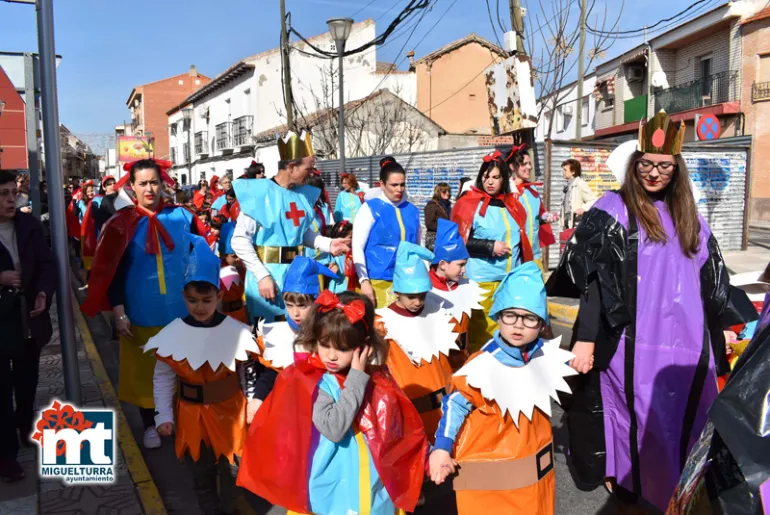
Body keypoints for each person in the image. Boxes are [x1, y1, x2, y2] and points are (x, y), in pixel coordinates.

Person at [546, 111, 747, 511]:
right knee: (632, 418)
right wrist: (585, 339)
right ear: (635, 165)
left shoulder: (690, 216)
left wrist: (723, 323)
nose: (655, 174)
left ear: (677, 169)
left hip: (688, 342)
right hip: (632, 343)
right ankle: (631, 483)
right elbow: (592, 282)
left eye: (664, 167)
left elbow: (713, 277)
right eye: (647, 165)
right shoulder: (613, 210)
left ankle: (680, 490)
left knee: (684, 418)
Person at [237, 291, 428, 515]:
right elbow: (334, 428)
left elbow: (399, 427)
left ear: (362, 347)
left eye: (342, 348)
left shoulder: (377, 378)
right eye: (324, 345)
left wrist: (429, 456)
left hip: (373, 482)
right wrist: (356, 380)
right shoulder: (318, 382)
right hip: (332, 483)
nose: (331, 356)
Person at [429, 262, 576, 515]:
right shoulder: (482, 364)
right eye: (510, 315)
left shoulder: (543, 355)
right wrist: (442, 446)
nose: (518, 325)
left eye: (529, 318)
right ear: (498, 316)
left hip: (535, 476)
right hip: (492, 474)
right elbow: (455, 404)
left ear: (541, 324)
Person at [82, 159, 208, 449]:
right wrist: (118, 311)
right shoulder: (120, 224)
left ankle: (183, 419)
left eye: (154, 182)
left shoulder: (183, 217)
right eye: (143, 183)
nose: (149, 188)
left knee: (186, 368)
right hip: (140, 311)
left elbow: (201, 257)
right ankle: (150, 423)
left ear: (162, 183)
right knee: (145, 372)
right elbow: (110, 272)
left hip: (182, 311)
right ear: (132, 187)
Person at [145, 235, 259, 515]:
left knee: (233, 474)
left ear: (219, 296)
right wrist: (164, 415)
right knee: (201, 476)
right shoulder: (173, 333)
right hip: (191, 417)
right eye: (193, 300)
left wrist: (253, 406)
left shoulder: (237, 331)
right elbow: (163, 377)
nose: (199, 307)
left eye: (206, 300)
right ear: (183, 297)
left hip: (230, 414)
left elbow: (248, 372)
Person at [230, 131, 349, 323]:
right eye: (308, 169)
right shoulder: (260, 194)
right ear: (292, 166)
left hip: (297, 279)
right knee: (270, 339)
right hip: (268, 278)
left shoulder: (302, 195)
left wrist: (329, 245)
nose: (312, 173)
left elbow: (301, 233)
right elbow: (239, 240)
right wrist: (262, 276)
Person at [0, 170, 55, 482]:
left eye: (12, 192)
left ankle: (24, 425)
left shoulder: (29, 225)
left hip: (29, 319)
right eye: (2, 194)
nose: (10, 200)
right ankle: (6, 455)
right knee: (0, 389)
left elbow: (47, 264)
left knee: (26, 380)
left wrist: (43, 295)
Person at [451, 150, 534, 352]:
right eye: (486, 177)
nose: (489, 182)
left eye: (495, 177)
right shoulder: (468, 203)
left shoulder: (513, 204)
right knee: (482, 338)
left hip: (509, 281)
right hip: (481, 281)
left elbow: (522, 242)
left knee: (509, 335)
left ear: (504, 179)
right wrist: (489, 246)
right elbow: (456, 241)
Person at [377, 241, 457, 442]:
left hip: (445, 406)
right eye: (411, 296)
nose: (418, 302)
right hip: (410, 410)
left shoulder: (437, 311)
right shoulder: (381, 322)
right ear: (397, 292)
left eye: (422, 296)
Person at [353, 157, 421, 309]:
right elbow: (357, 246)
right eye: (394, 185)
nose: (399, 189)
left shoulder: (412, 211)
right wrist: (364, 281)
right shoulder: (369, 208)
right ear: (382, 184)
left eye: (402, 184)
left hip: (407, 281)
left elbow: (418, 246)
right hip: (377, 281)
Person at [257, 255, 338, 371]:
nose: (295, 313)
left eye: (302, 306)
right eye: (289, 305)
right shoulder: (275, 336)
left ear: (316, 302)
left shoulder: (327, 330)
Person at [429, 219, 485, 371]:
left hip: (461, 363)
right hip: (436, 365)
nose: (464, 270)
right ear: (442, 264)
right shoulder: (425, 291)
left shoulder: (466, 287)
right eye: (460, 265)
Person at [506, 147, 557, 274]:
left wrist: (547, 217)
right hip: (513, 254)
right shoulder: (506, 191)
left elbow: (538, 216)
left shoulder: (532, 189)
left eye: (530, 163)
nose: (529, 167)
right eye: (524, 164)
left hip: (533, 252)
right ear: (512, 166)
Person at [218, 222, 248, 323]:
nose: (239, 259)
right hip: (222, 317)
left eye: (241, 254)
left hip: (241, 315)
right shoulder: (216, 268)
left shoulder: (245, 267)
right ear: (223, 255)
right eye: (234, 256)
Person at [304, 175, 334, 263]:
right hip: (306, 260)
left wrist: (332, 261)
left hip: (324, 259)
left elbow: (328, 233)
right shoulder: (299, 209)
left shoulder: (324, 208)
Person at [326, 221, 356, 294]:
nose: (354, 239)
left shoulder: (355, 253)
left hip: (354, 289)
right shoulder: (334, 254)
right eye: (350, 237)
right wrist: (332, 266)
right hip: (339, 291)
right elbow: (329, 265)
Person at [423, 183, 452, 251]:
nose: (447, 193)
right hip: (434, 238)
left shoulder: (447, 205)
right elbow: (429, 224)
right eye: (444, 191)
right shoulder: (432, 205)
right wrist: (443, 228)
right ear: (438, 193)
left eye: (449, 191)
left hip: (444, 237)